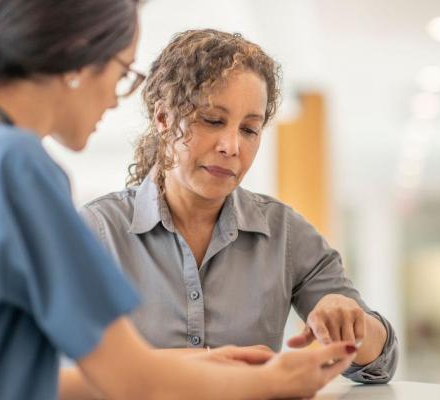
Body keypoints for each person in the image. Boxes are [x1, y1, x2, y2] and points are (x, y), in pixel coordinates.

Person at [0, 2, 357, 400]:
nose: (115, 98)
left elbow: (6, 380)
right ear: (78, 55)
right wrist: (277, 378)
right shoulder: (19, 168)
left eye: (249, 128)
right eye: (123, 73)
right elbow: (133, 381)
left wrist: (187, 363)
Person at [80, 29, 398, 384]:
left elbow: (380, 364)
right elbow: (62, 369)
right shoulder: (96, 232)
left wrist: (352, 324)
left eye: (249, 129)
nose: (232, 146)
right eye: (213, 120)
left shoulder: (285, 233)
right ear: (163, 119)